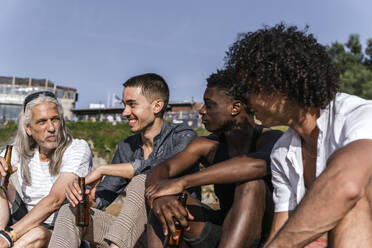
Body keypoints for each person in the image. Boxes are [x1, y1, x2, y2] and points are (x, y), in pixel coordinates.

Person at [225, 23, 372, 247]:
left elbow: (347, 185)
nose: (246, 101)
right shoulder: (281, 153)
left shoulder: (358, 116)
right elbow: (282, 228)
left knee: (350, 202)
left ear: (280, 86)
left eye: (249, 91)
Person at [49, 73, 200, 248]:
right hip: (133, 235)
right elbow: (103, 196)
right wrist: (87, 198)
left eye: (132, 105)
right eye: (124, 105)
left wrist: (103, 169)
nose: (125, 113)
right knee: (70, 212)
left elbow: (157, 167)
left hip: (175, 231)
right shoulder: (126, 147)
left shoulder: (184, 137)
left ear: (157, 106)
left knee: (141, 181)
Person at [145, 69, 282, 248]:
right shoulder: (207, 145)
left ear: (235, 108)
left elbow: (256, 165)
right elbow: (162, 168)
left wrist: (183, 182)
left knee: (252, 184)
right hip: (227, 233)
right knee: (168, 200)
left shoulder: (271, 138)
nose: (202, 111)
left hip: (265, 236)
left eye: (209, 105)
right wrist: (159, 198)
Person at [0, 91, 92, 248]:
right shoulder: (15, 152)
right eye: (42, 122)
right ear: (28, 128)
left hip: (60, 229)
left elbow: (55, 200)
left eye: (55, 119)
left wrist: (9, 235)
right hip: (24, 221)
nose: (51, 128)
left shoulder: (77, 148)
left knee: (37, 234)